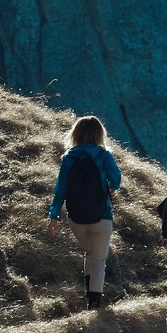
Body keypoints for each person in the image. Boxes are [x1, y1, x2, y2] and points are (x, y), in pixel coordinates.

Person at [47, 115, 121, 309]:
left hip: (76, 218)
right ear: (99, 134)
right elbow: (117, 178)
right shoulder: (104, 155)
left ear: (76, 133)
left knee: (90, 252)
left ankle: (89, 296)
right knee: (99, 261)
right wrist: (110, 187)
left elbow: (60, 189)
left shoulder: (68, 157)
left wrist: (53, 216)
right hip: (102, 216)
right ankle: (94, 305)